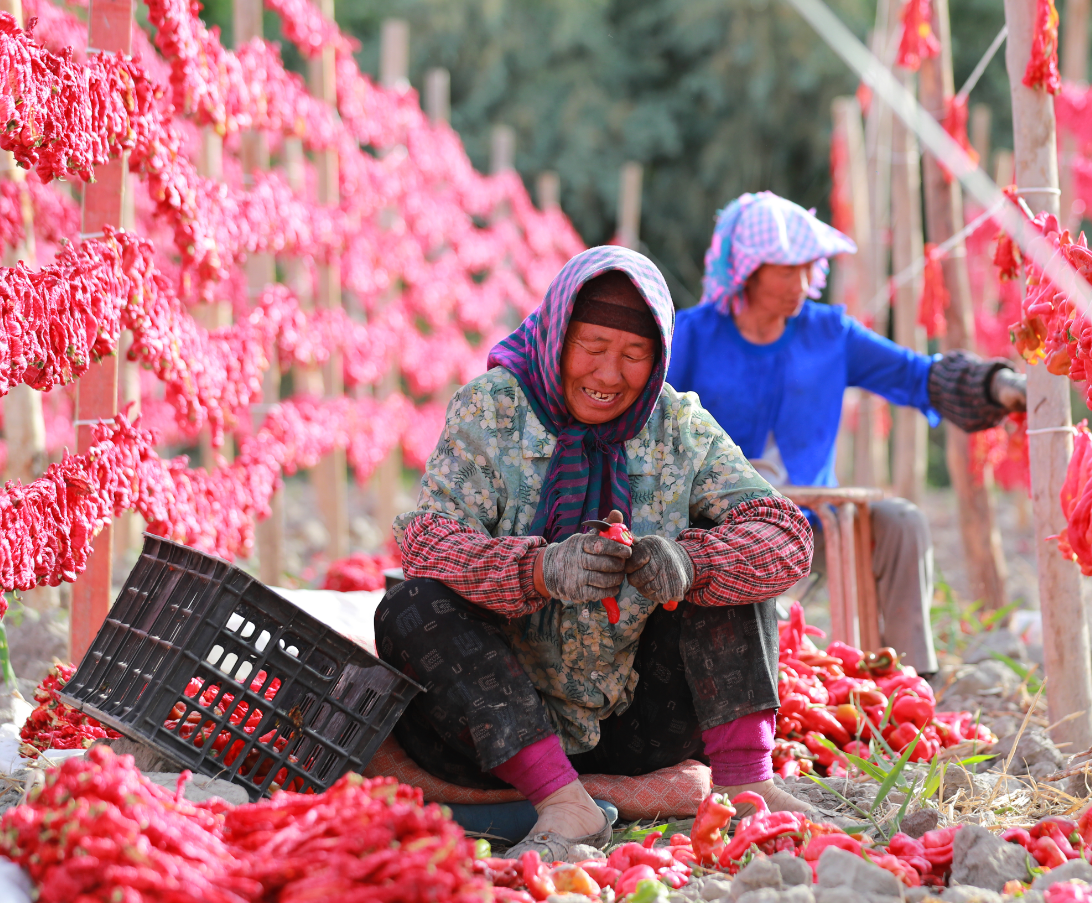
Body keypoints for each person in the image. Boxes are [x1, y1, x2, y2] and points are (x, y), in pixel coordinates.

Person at [379, 246, 825, 860]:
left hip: (637, 724)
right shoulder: (491, 409)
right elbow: (427, 541)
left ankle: (747, 784)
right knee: (409, 605)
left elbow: (785, 534)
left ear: (660, 356)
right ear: (557, 335)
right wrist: (535, 570)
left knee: (733, 565)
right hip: (495, 729)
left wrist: (693, 563)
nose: (610, 374)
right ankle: (561, 800)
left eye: (635, 355)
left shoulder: (678, 427)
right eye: (591, 346)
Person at [667, 192, 1027, 676]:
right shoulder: (691, 337)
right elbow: (650, 417)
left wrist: (996, 385)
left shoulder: (829, 334)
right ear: (748, 271)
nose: (803, 284)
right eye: (786, 270)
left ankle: (910, 678)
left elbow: (916, 375)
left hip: (816, 522)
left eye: (808, 269)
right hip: (721, 530)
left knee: (901, 521)